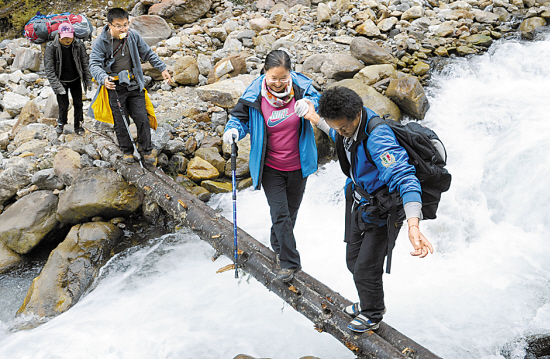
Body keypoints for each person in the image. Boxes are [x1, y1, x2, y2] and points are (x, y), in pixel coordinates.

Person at [312, 86, 434, 332]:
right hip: (362, 202)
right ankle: (368, 301)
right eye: (335, 126)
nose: (341, 131)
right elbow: (337, 134)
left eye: (344, 127)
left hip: (386, 209)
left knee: (366, 269)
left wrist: (413, 224)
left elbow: (405, 178)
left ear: (358, 113)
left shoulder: (379, 138)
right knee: (353, 262)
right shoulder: (345, 123)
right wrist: (313, 117)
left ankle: (372, 313)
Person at [223, 50, 321, 282]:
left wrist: (308, 104)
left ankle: (277, 243)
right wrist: (234, 130)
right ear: (265, 73)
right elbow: (240, 118)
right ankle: (289, 263)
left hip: (298, 164)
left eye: (283, 78)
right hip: (270, 167)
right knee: (280, 215)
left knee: (290, 213)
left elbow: (320, 102)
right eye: (273, 78)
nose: (278, 84)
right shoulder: (254, 94)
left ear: (291, 73)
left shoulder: (302, 88)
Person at [88, 7, 172, 165]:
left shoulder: (132, 36)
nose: (123, 28)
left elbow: (147, 53)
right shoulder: (101, 42)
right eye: (119, 25)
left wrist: (162, 68)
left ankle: (146, 151)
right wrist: (103, 78)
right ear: (110, 25)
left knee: (142, 118)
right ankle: (127, 151)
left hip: (134, 83)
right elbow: (94, 64)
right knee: (121, 121)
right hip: (114, 86)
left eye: (126, 24)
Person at [44, 22, 92, 136]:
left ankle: (79, 125)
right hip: (61, 80)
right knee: (63, 105)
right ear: (59, 36)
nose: (67, 40)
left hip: (75, 79)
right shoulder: (51, 47)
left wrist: (88, 80)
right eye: (64, 37)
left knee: (78, 103)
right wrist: (57, 87)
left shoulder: (78, 45)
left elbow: (85, 63)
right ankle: (61, 123)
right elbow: (49, 70)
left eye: (69, 37)